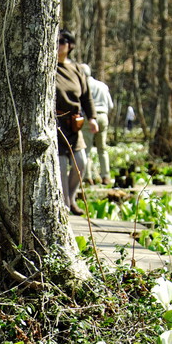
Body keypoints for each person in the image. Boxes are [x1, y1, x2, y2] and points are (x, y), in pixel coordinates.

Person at [55, 29, 98, 215]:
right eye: (56, 41)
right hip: (56, 122)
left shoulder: (77, 69)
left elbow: (87, 97)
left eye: (62, 41)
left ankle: (71, 198)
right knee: (61, 164)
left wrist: (92, 118)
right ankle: (63, 204)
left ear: (70, 45)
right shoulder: (49, 67)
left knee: (81, 161)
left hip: (74, 122)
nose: (59, 44)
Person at [81, 63, 114, 184]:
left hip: (89, 117)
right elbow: (110, 105)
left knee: (86, 149)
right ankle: (106, 176)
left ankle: (87, 177)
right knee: (102, 148)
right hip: (103, 116)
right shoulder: (102, 86)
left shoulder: (83, 86)